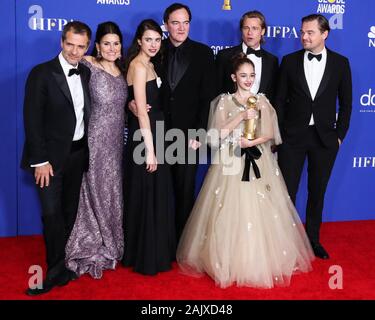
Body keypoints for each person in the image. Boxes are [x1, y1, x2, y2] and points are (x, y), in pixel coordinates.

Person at [176, 54, 314, 289]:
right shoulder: (223, 101)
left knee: (260, 210)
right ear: (233, 77)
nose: (248, 80)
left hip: (258, 159)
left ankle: (256, 259)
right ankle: (225, 259)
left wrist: (252, 142)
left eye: (252, 75)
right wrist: (240, 116)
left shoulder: (262, 101)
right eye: (243, 76)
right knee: (227, 210)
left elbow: (271, 133)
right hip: (229, 160)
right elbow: (217, 133)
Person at [21, 21, 92, 295]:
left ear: (87, 47)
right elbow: (32, 120)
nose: (74, 51)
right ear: (62, 42)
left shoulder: (84, 73)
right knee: (52, 215)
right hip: (48, 161)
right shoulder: (41, 73)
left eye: (80, 46)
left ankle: (61, 266)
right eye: (70, 44)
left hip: (77, 155)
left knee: (68, 213)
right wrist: (39, 161)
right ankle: (52, 273)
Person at [274, 14, 352, 259]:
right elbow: (279, 101)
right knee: (287, 192)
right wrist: (279, 135)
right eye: (302, 32)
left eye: (310, 32)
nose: (304, 37)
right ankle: (283, 242)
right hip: (292, 138)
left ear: (324, 34)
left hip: (324, 139)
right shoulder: (289, 61)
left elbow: (347, 104)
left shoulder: (340, 63)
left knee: (317, 192)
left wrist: (338, 137)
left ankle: (313, 241)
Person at [65, 21, 127, 279]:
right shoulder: (89, 65)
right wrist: (87, 54)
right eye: (106, 44)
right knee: (92, 187)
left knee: (112, 187)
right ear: (97, 47)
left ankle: (110, 238)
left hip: (115, 143)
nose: (111, 48)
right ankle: (91, 241)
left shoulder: (123, 71)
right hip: (94, 141)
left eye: (116, 43)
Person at [122, 19, 175, 275]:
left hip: (159, 133)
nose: (153, 44)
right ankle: (145, 256)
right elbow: (142, 112)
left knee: (155, 193)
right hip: (146, 137)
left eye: (157, 39)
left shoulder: (150, 64)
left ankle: (155, 250)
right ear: (139, 41)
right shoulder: (138, 66)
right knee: (145, 192)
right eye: (148, 40)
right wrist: (150, 150)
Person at [161, 3, 216, 241]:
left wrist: (200, 132)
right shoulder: (154, 49)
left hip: (189, 135)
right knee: (159, 192)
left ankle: (183, 241)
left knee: (184, 191)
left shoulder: (203, 53)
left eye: (185, 22)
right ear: (166, 25)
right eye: (175, 22)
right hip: (156, 133)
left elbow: (208, 97)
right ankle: (161, 240)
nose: (181, 28)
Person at [216, 10, 278, 104]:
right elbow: (217, 92)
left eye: (254, 28)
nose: (250, 33)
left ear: (263, 31)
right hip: (231, 116)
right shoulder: (224, 56)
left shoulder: (272, 61)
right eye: (246, 28)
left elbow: (274, 96)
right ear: (241, 30)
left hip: (261, 116)